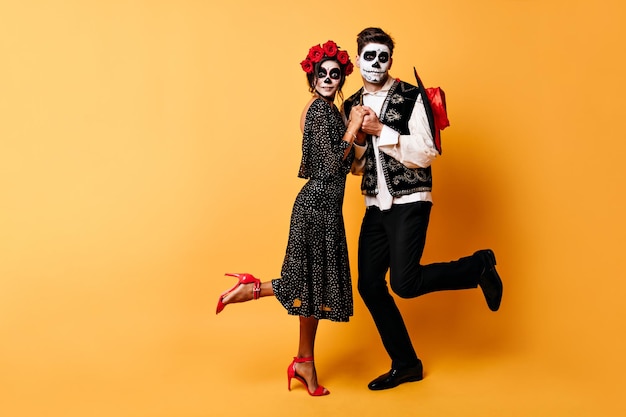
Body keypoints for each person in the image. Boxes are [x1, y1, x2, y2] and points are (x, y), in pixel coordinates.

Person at [343, 27, 504, 391]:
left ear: (391, 60)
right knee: (369, 285)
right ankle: (406, 364)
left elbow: (426, 153)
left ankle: (478, 266)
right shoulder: (350, 103)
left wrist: (381, 129)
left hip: (410, 200)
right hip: (374, 204)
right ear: (357, 60)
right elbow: (355, 168)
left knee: (405, 283)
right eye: (369, 56)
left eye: (383, 56)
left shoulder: (411, 96)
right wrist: (356, 138)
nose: (376, 64)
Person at [215, 40, 365, 397]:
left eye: (335, 74)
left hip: (324, 207)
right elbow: (328, 169)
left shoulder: (329, 111)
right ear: (311, 77)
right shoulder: (319, 112)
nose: (328, 79)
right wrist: (353, 126)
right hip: (315, 207)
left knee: (311, 289)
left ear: (341, 77)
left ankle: (304, 362)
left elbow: (346, 164)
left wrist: (354, 126)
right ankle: (251, 291)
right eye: (321, 73)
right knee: (310, 286)